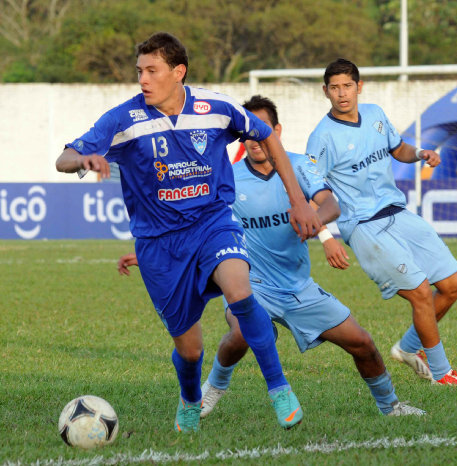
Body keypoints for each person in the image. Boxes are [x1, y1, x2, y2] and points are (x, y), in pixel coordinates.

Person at [56, 32, 322, 433]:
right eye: (139, 71)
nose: (143, 79)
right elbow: (63, 158)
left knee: (240, 291)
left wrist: (298, 199)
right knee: (190, 347)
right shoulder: (122, 120)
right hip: (159, 244)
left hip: (212, 222)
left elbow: (266, 136)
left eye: (152, 70)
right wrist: (84, 157)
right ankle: (190, 398)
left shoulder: (215, 107)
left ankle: (279, 389)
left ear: (178, 72)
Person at [120, 95, 426, 418]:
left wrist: (316, 221)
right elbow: (193, 221)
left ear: (276, 130)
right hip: (251, 283)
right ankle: (213, 387)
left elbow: (331, 204)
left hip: (297, 286)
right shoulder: (228, 175)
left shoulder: (299, 166)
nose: (254, 138)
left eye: (262, 129)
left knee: (362, 342)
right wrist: (158, 254)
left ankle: (390, 406)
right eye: (248, 132)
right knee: (241, 331)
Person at [306, 58, 457, 386]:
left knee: (453, 285)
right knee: (422, 293)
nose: (342, 94)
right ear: (325, 92)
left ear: (359, 87)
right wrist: (326, 236)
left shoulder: (376, 114)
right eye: (334, 88)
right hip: (364, 226)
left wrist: (421, 153)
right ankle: (442, 374)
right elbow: (312, 193)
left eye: (347, 86)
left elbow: (398, 149)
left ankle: (408, 348)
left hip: (398, 213)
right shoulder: (321, 138)